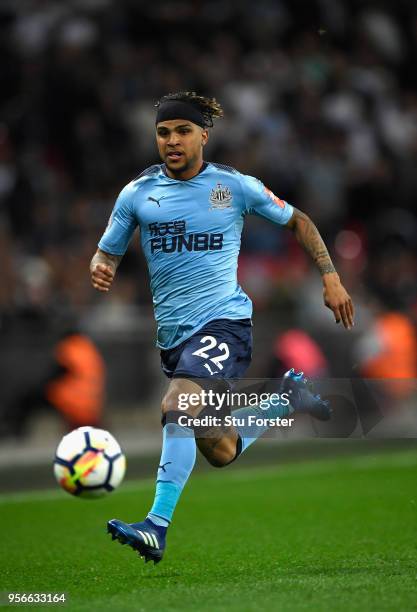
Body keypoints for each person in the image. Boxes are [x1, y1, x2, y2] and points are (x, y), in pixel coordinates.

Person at [90, 91, 354, 564]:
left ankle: (156, 526)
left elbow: (300, 221)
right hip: (174, 339)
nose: (172, 140)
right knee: (220, 448)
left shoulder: (234, 187)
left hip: (224, 323)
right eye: (163, 132)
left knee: (178, 403)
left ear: (203, 136)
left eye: (183, 131)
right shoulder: (136, 194)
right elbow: (107, 248)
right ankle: (286, 397)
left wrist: (330, 276)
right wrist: (101, 263)